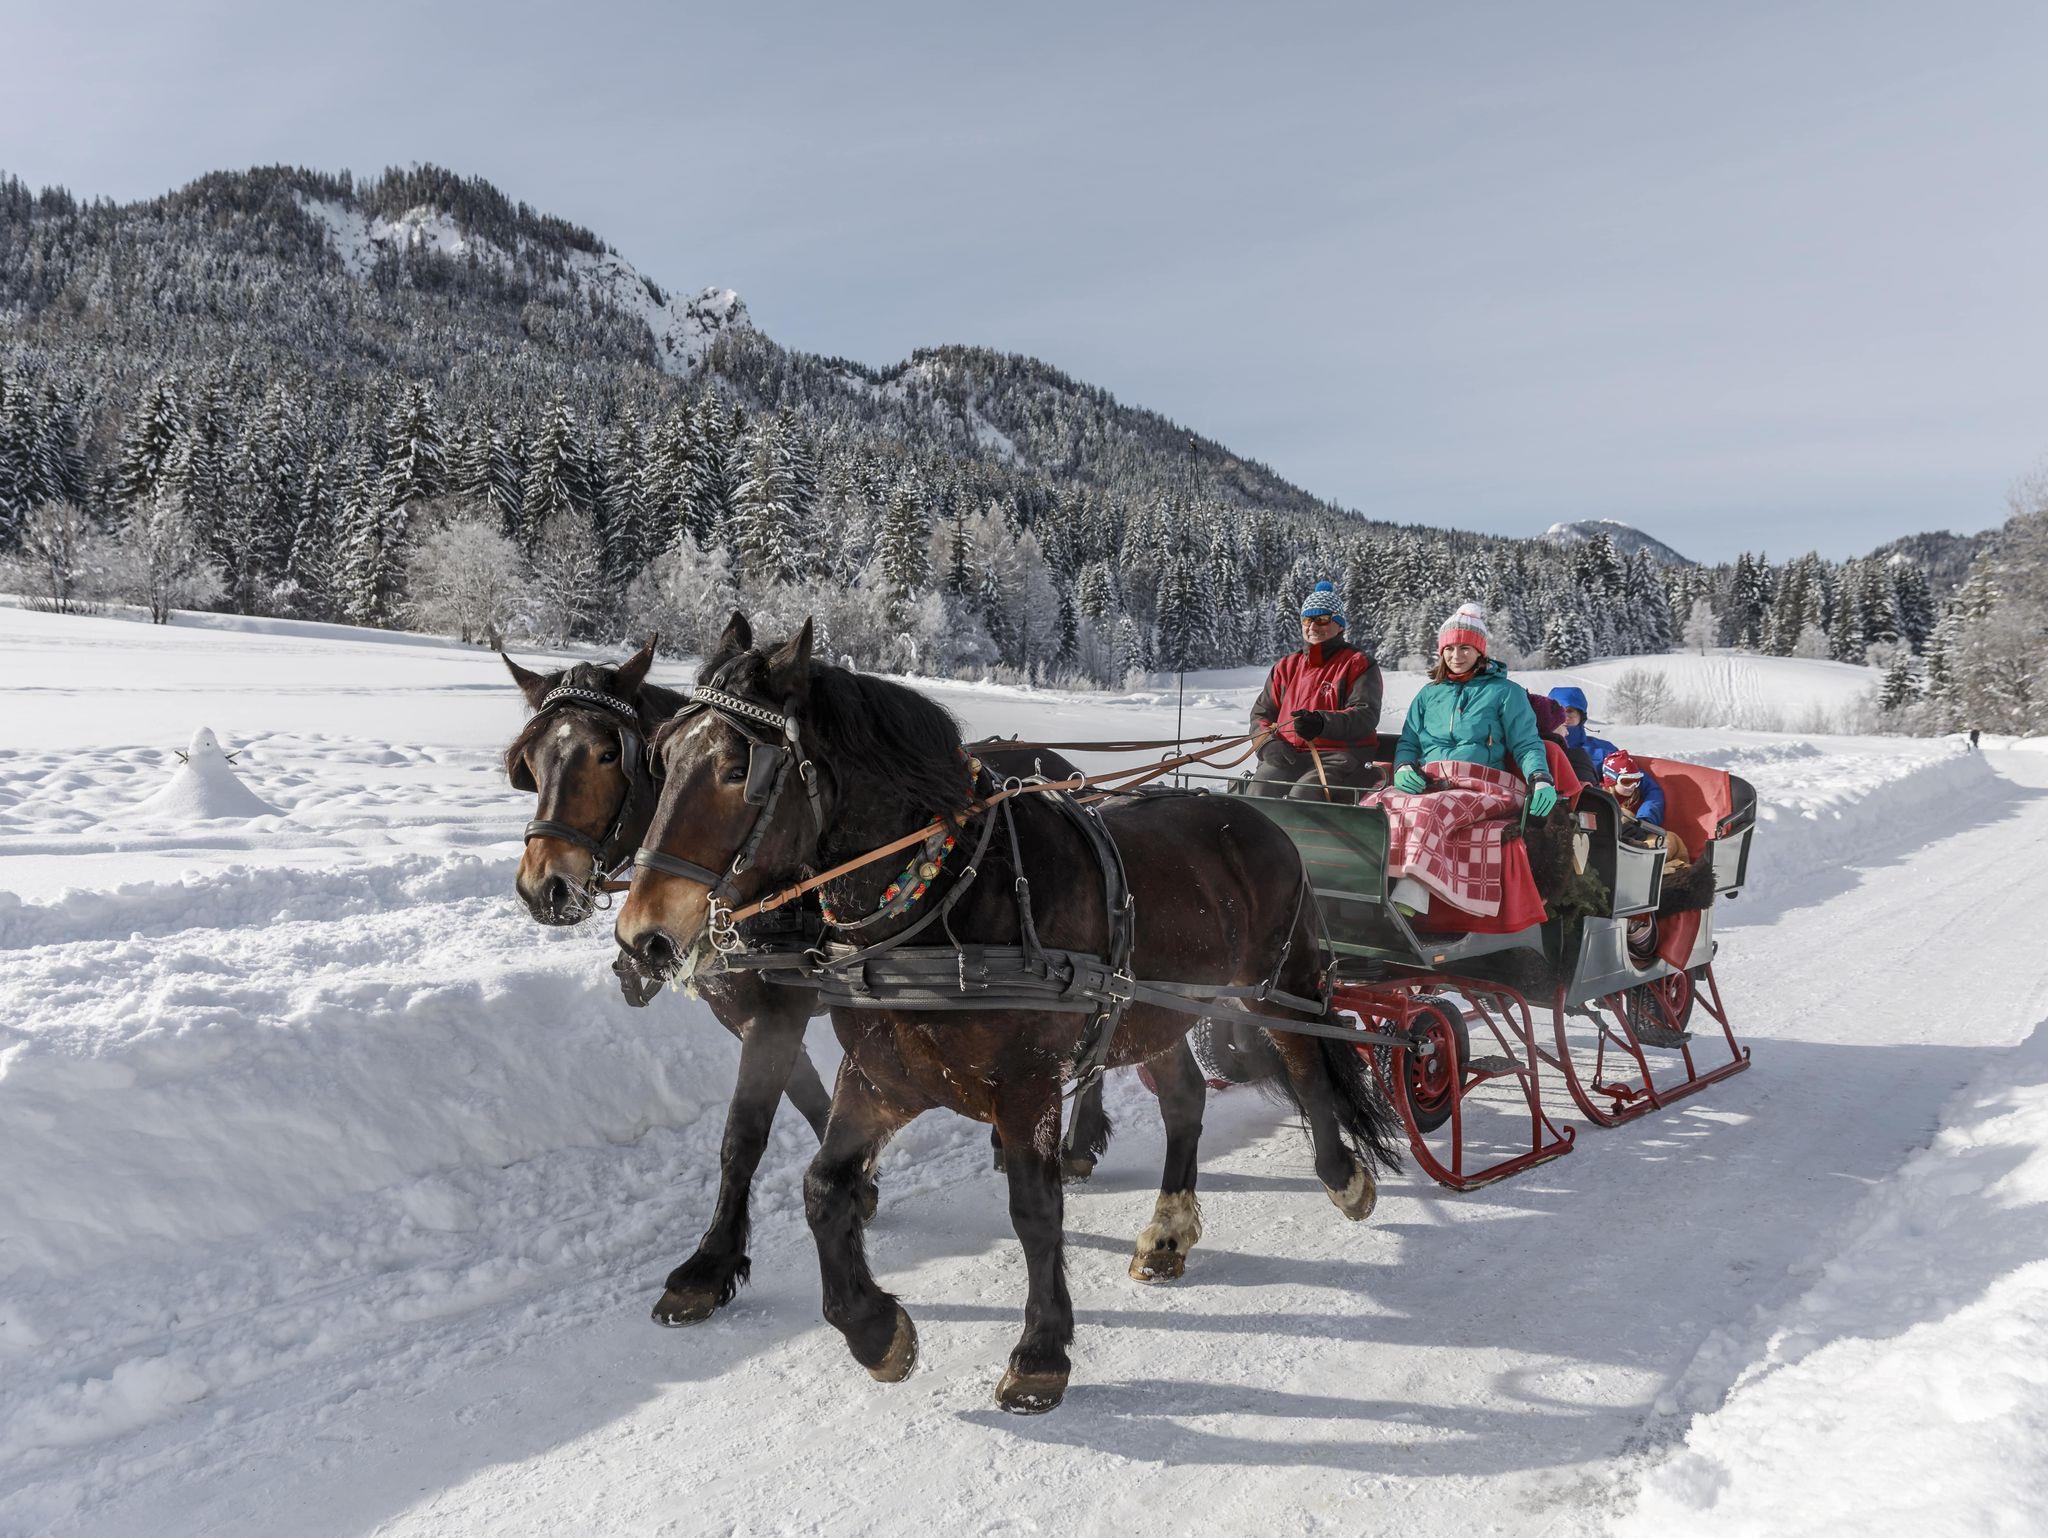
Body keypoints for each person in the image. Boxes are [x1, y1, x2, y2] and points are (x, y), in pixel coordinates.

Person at [1367, 602, 1556, 917]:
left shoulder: (1505, 692)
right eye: (1450, 648)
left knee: (1430, 810)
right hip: (1431, 781)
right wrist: (1403, 766)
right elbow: (1409, 741)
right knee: (1376, 803)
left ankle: (1409, 901)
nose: (1456, 656)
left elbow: (1526, 743)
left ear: (1480, 652)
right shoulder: (1428, 695)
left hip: (1482, 784)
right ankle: (1360, 887)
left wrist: (1540, 777)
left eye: (1465, 648)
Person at [1248, 580, 1384, 800]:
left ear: (1340, 625)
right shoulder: (1286, 666)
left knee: (1304, 795)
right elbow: (1261, 714)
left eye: (1322, 619)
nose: (1312, 626)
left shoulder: (1358, 663)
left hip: (1339, 756)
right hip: (1289, 754)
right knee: (1260, 790)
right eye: (1307, 619)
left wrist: (1322, 723)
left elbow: (1365, 715)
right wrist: (1267, 744)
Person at [1545, 686, 1617, 780]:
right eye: (1558, 711)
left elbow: (1627, 780)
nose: (1564, 716)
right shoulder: (1536, 748)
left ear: (1581, 716)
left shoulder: (1604, 751)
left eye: (1570, 711)